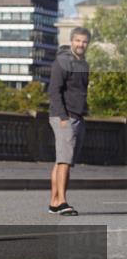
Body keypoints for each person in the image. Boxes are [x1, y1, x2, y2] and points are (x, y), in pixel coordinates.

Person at [47, 26, 91, 216]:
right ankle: (63, 202)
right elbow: (53, 91)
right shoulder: (62, 62)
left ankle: (54, 202)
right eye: (78, 40)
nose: (81, 44)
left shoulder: (83, 64)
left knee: (62, 161)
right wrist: (64, 118)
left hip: (77, 116)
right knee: (65, 161)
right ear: (72, 41)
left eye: (84, 41)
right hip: (64, 117)